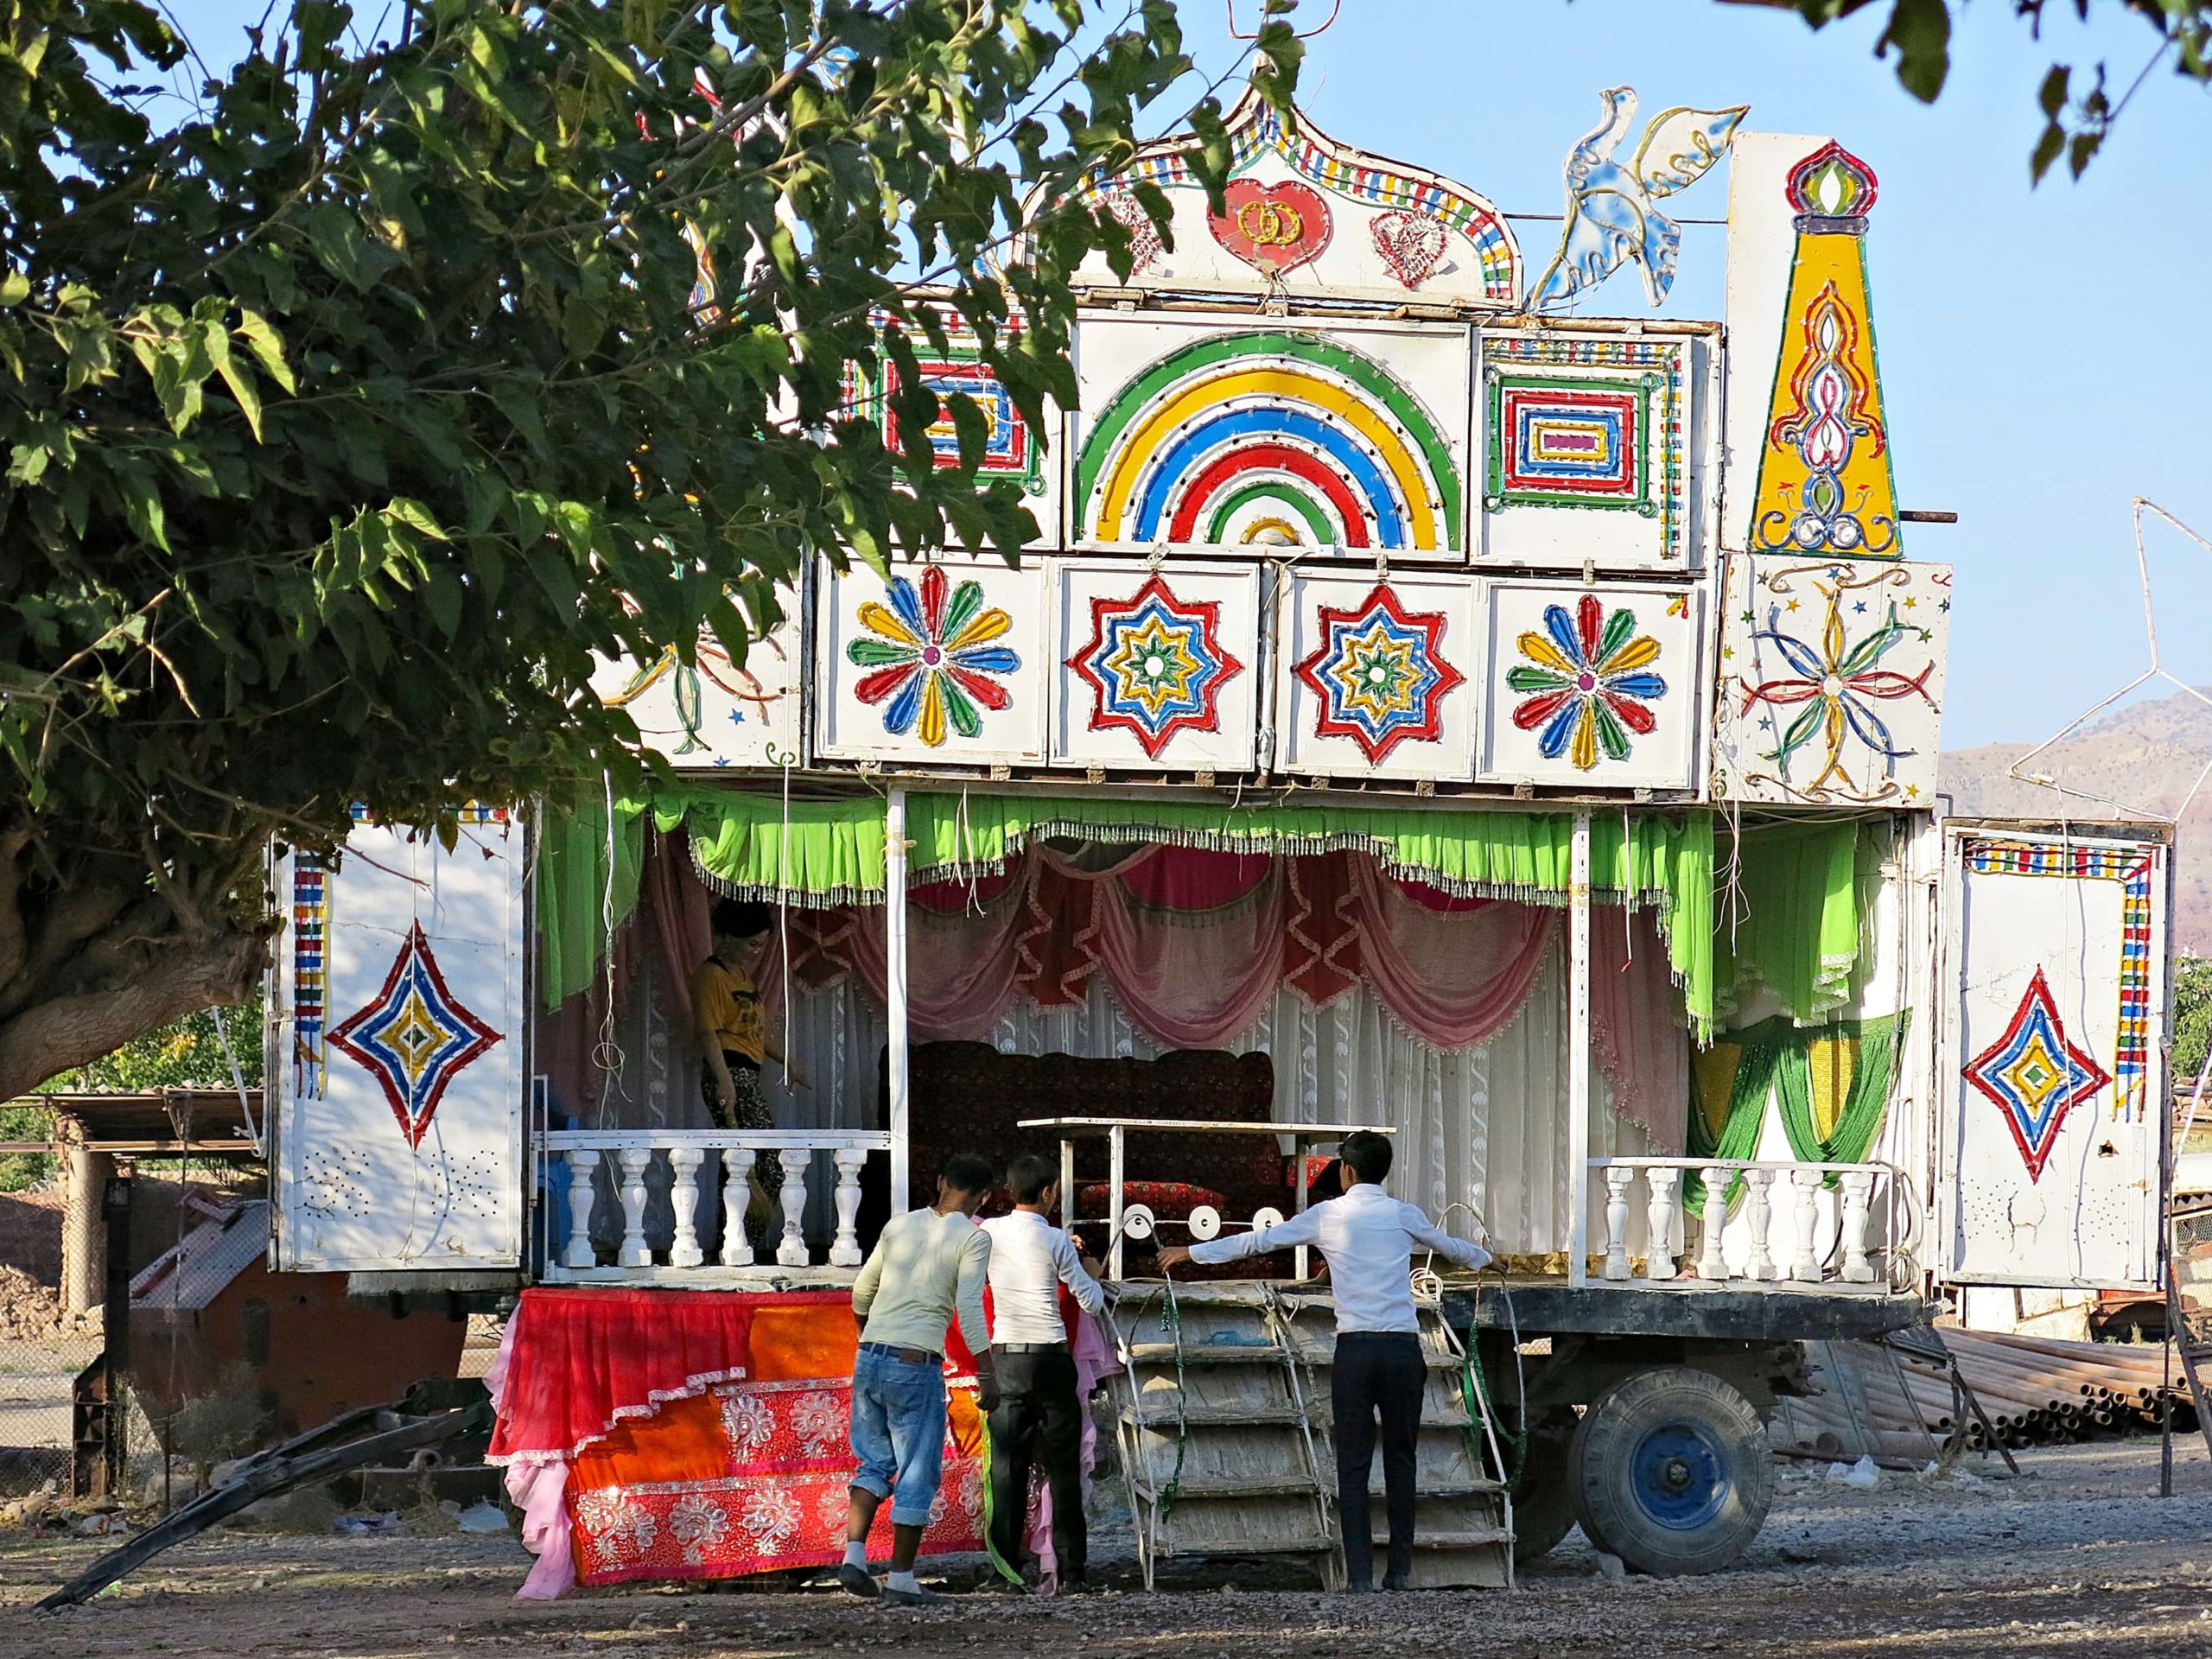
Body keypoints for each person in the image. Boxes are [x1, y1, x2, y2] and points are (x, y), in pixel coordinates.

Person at [1158, 1130, 1488, 1593]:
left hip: (1355, 1351)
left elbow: (1257, 1243)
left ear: (1346, 1171)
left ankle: (1358, 1577)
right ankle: (1399, 1571)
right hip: (1401, 1351)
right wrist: (1487, 1258)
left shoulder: (1327, 1215)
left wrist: (1189, 1252)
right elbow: (1456, 1249)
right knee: (1401, 1459)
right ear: (1382, 1170)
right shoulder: (1403, 1215)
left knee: (1352, 1464)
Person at [841, 1152, 1001, 1606]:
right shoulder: (974, 1238)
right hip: (916, 1363)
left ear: (940, 1181)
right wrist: (986, 1372)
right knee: (916, 1471)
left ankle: (854, 1556)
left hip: (870, 1355)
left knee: (873, 1463)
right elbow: (970, 1310)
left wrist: (865, 1338)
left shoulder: (899, 1225)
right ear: (984, 1197)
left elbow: (861, 1292)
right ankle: (902, 1577)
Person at [978, 1154, 1105, 1594]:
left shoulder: (989, 1232)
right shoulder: (1056, 1240)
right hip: (1051, 1358)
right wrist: (1091, 1272)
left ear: (1009, 1192)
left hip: (1006, 1358)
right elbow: (1091, 1301)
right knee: (1064, 1469)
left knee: (1006, 1469)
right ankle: (1073, 1573)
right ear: (1050, 1193)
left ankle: (1005, 1572)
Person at [690, 899, 787, 1254]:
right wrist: (726, 1082)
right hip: (728, 1074)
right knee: (756, 1165)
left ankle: (736, 1241)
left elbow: (752, 1033)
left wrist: (786, 1061)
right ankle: (737, 1242)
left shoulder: (742, 977)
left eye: (761, 946)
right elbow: (708, 1033)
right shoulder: (711, 975)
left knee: (752, 1163)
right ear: (729, 935)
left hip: (748, 1073)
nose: (756, 953)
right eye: (752, 944)